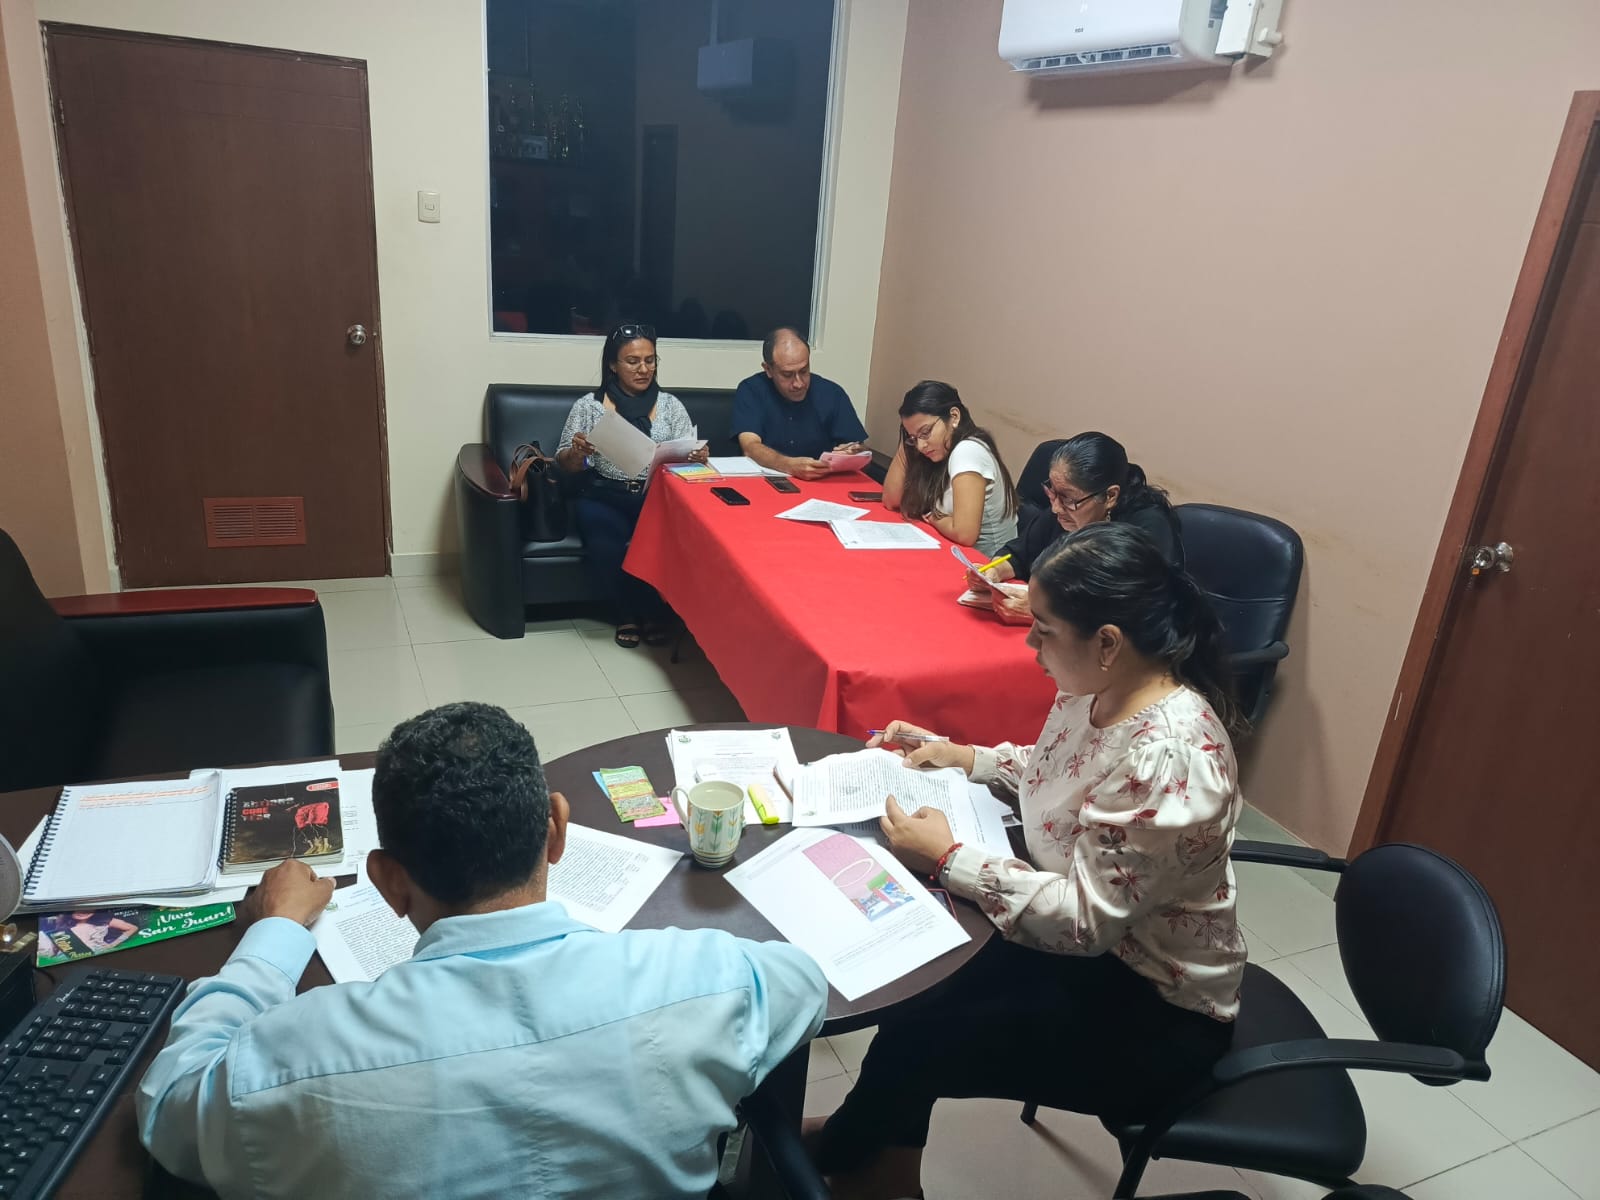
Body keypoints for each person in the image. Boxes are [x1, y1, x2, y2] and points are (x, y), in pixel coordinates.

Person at [138, 702, 829, 1200]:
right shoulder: (709, 984)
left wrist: (278, 932)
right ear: (556, 831)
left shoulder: (292, 1063)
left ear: (388, 882)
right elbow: (804, 984)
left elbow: (168, 1107)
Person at [807, 523, 1247, 1200]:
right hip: (1096, 952)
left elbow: (1083, 923)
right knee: (920, 981)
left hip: (1154, 1006)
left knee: (923, 1031)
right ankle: (866, 1158)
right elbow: (1055, 773)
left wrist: (949, 857)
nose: (1031, 646)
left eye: (1042, 630)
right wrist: (963, 757)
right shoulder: (1100, 686)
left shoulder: (1170, 758)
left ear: (1107, 642)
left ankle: (853, 1159)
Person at [557, 322, 709, 647]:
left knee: (663, 538)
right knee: (605, 543)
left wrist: (697, 455)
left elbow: (689, 456)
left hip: (656, 496)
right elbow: (565, 463)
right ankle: (625, 613)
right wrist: (578, 453)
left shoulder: (670, 405)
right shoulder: (589, 406)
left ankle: (653, 612)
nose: (644, 369)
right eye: (633, 361)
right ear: (613, 365)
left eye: (650, 360)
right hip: (604, 495)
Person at [979, 431, 1186, 625]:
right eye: (1051, 491)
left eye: (1068, 498)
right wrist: (993, 572)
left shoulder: (1146, 529)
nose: (1055, 507)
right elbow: (1018, 555)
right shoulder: (1065, 510)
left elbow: (1137, 612)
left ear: (1110, 496)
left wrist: (1047, 613)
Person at [883, 381, 1018, 555]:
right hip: (952, 550)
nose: (921, 446)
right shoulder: (937, 451)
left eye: (926, 432)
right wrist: (910, 438)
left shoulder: (967, 451)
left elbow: (965, 534)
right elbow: (891, 499)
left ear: (954, 417)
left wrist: (934, 518)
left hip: (985, 563)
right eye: (914, 439)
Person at [732, 327, 867, 479]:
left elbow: (859, 448)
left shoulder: (832, 393)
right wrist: (789, 465)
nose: (799, 383)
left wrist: (852, 453)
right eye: (787, 375)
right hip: (766, 481)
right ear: (768, 369)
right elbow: (750, 447)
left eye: (804, 371)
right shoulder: (751, 390)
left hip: (822, 481)